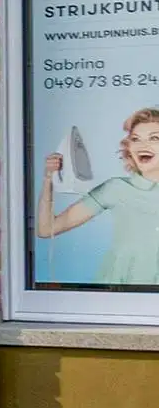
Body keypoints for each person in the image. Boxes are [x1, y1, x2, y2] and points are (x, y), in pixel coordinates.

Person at [34, 107, 159, 287]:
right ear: (128, 147)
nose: (142, 145)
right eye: (135, 139)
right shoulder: (115, 189)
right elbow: (46, 229)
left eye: (154, 138)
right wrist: (48, 179)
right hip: (120, 295)